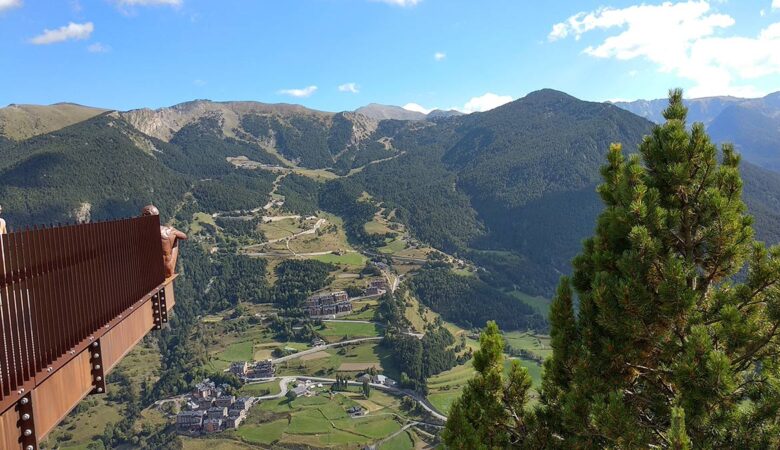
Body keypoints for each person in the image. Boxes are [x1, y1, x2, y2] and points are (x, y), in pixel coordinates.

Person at [141, 205, 187, 278]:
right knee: (175, 238)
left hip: (149, 272)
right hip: (167, 271)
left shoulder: (139, 232)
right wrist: (173, 229)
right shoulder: (168, 231)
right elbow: (184, 236)